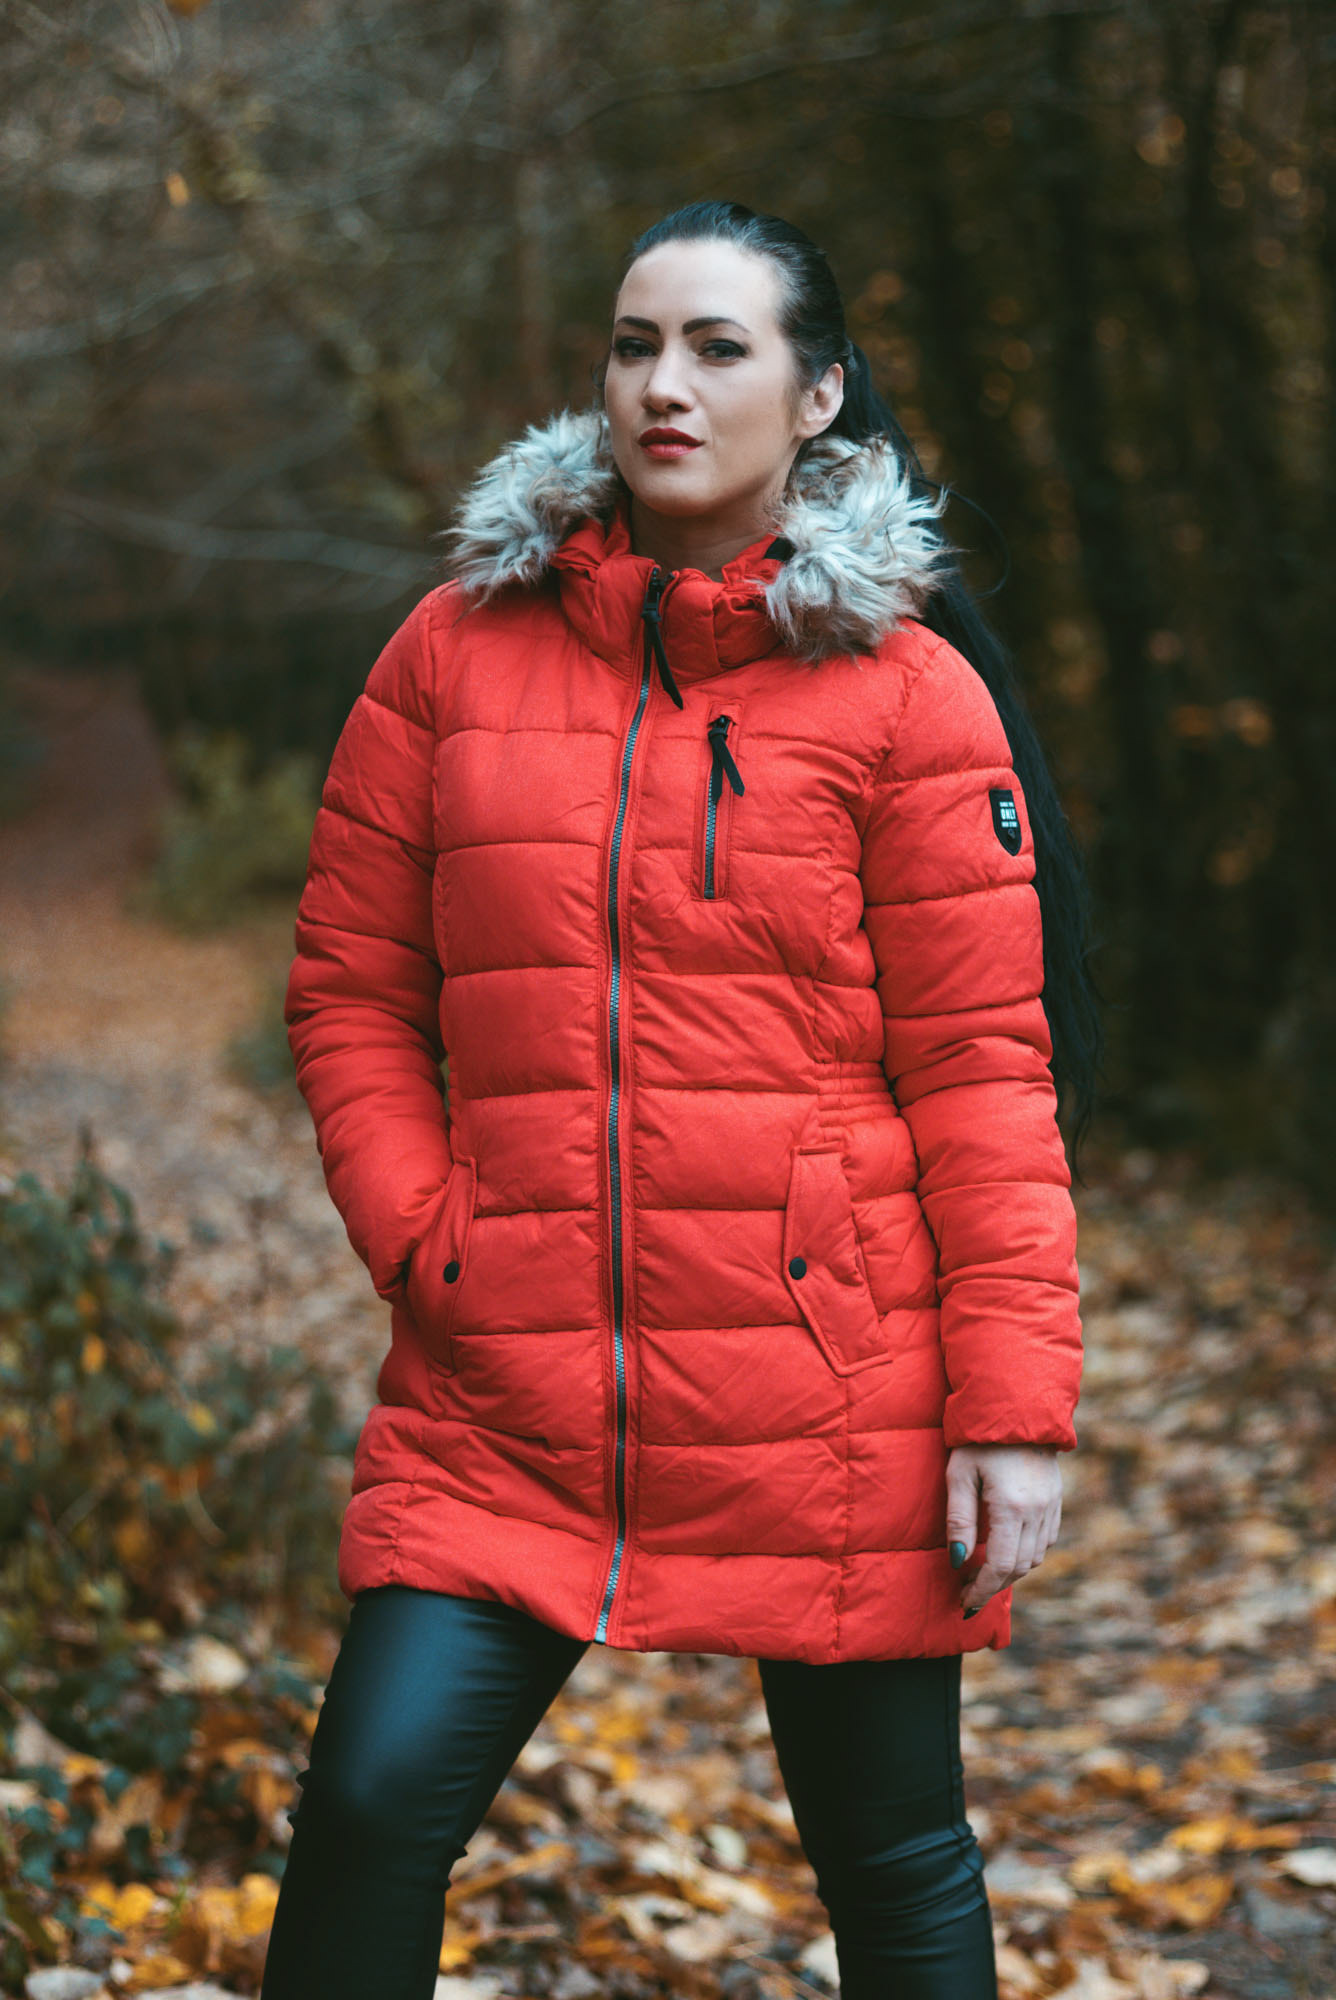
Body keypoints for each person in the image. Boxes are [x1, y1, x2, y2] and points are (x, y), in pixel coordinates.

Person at [261, 200, 1099, 2000]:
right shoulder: (450, 655)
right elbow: (349, 990)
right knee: (370, 1805)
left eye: (721, 348)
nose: (666, 384)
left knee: (894, 1862)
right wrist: (429, 1238)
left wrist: (1015, 1406)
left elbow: (982, 1074)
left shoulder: (909, 697)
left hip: (833, 1389)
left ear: (819, 395)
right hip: (506, 1392)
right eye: (637, 344)